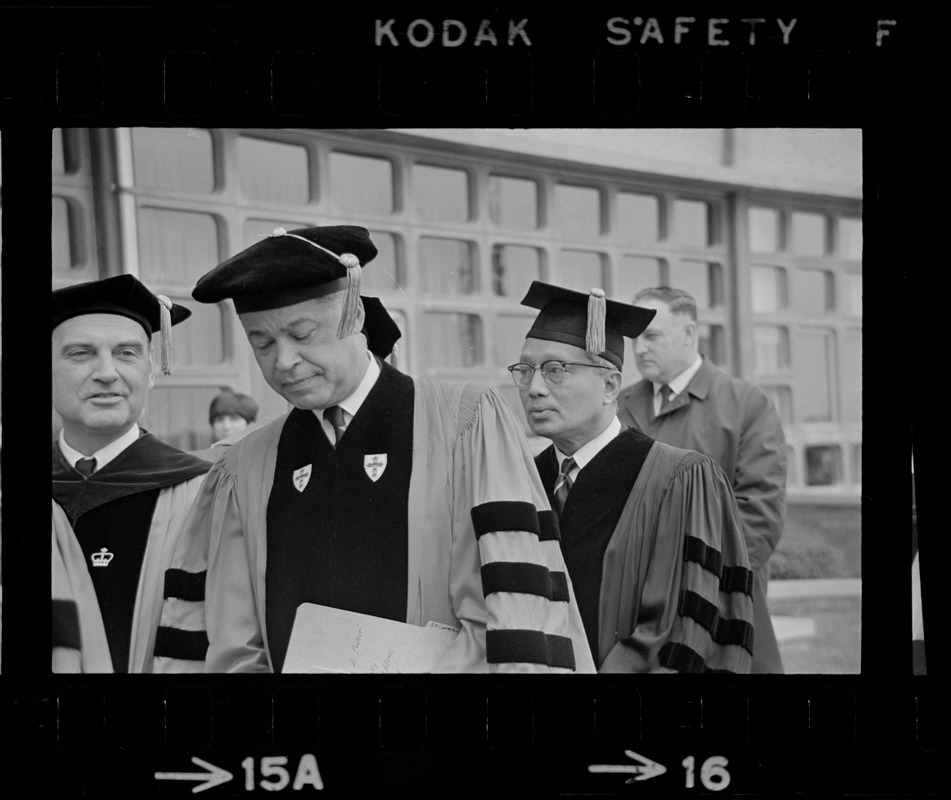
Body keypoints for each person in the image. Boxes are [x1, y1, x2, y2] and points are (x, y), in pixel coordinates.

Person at [156, 225, 594, 674]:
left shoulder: (466, 422)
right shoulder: (242, 466)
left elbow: (512, 613)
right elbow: (233, 647)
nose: (283, 361)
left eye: (302, 335)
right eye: (262, 343)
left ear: (355, 317)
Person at [512, 281, 755, 673]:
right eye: (525, 371)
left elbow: (693, 632)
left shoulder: (679, 479)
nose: (534, 389)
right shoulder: (523, 479)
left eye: (555, 370)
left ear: (610, 386)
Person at [617, 286, 786, 674]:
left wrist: (693, 588)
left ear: (689, 334)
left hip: (723, 610)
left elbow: (759, 515)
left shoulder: (746, 404)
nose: (639, 349)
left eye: (652, 336)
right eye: (634, 339)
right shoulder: (619, 407)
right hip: (636, 614)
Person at [51, 274, 212, 672]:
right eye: (81, 354)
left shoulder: (203, 493)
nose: (107, 373)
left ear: (152, 372)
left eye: (127, 353)